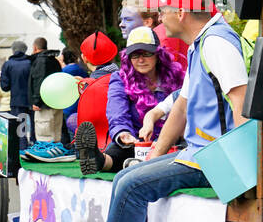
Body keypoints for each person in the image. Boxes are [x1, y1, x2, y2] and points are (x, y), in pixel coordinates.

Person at [61, 0, 247, 222]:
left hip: (217, 160)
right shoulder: (203, 42)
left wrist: (242, 173)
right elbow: (182, 106)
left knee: (131, 185)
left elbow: (241, 102)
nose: (160, 17)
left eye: (163, 10)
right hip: (202, 154)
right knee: (127, 176)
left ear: (182, 12)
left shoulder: (216, 42)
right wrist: (154, 155)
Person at [75, 26, 185, 175]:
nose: (140, 60)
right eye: (135, 55)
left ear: (158, 54)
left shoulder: (177, 76)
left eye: (146, 53)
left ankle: (133, 164)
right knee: (119, 149)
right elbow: (116, 111)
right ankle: (98, 160)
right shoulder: (120, 78)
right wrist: (123, 133)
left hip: (172, 142)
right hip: (136, 143)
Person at [27, 36, 64, 145]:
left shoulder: (40, 61)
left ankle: (47, 151)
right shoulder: (54, 60)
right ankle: (56, 151)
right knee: (56, 134)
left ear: (35, 47)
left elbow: (39, 81)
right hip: (56, 101)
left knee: (44, 134)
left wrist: (36, 101)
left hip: (44, 104)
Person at [0, 40, 32, 141]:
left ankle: (22, 147)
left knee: (20, 129)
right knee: (35, 127)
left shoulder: (8, 64)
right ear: (25, 50)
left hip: (17, 100)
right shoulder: (31, 62)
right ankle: (35, 146)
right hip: (32, 101)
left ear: (13, 50)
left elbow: (5, 87)